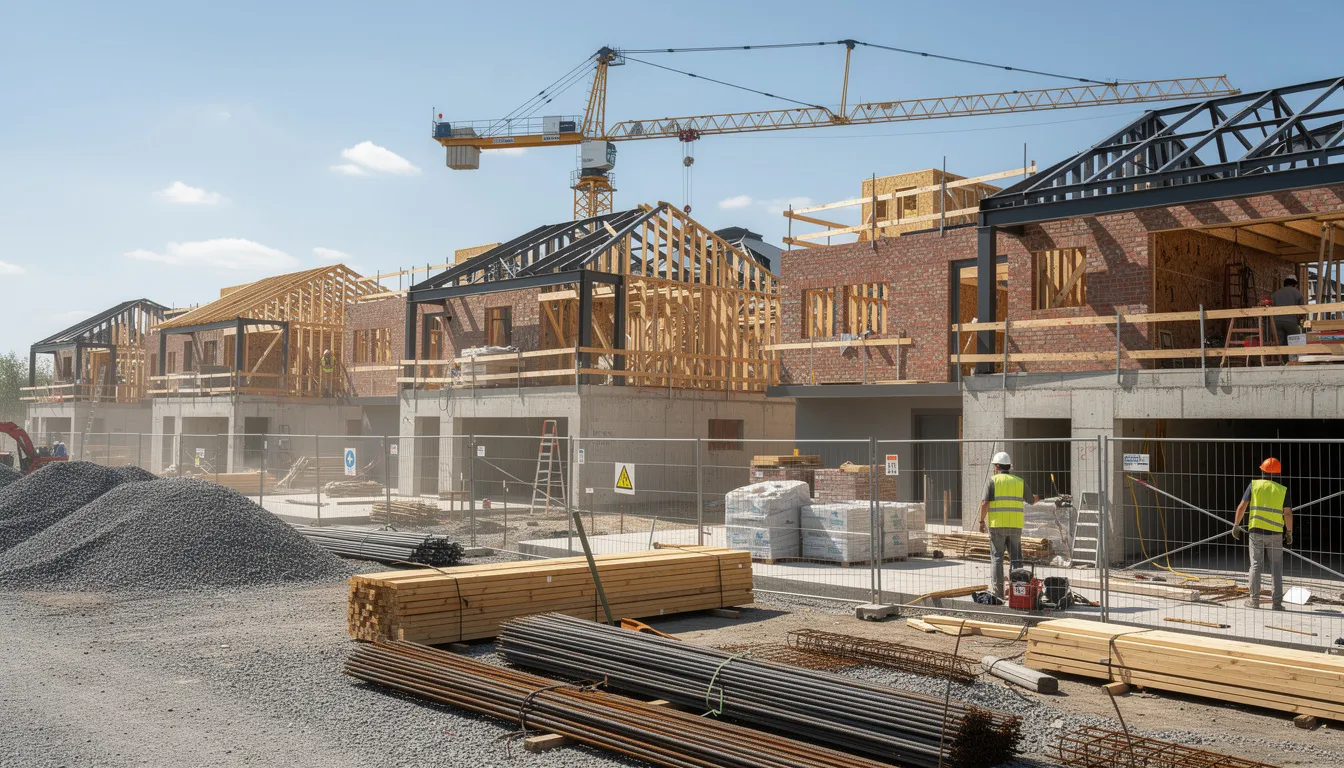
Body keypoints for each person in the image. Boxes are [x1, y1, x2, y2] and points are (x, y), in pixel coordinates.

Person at [1232, 457, 1294, 611]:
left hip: (1256, 532)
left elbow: (1242, 507)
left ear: (1262, 471)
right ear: (1278, 474)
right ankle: (1277, 603)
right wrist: (1289, 531)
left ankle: (1254, 601)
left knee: (1255, 566)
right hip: (1275, 534)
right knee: (1276, 568)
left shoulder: (1254, 485)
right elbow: (1287, 513)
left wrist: (1236, 525)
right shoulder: (1282, 490)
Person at [978, 452, 1040, 600]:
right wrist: (1038, 497)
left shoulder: (992, 481)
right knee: (1016, 559)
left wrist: (981, 521)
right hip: (1015, 526)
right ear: (1009, 466)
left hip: (997, 526)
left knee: (997, 559)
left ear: (997, 467)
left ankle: (998, 593)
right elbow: (1031, 500)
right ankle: (1017, 593)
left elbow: (985, 503)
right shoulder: (1019, 481)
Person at [1270, 276, 1306, 347]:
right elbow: (1303, 310)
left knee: (1279, 343)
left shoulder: (1276, 294)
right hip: (1291, 321)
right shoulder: (1297, 293)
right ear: (1294, 284)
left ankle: (1280, 354)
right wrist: (1299, 318)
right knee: (1294, 343)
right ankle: (1293, 354)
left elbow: (1272, 307)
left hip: (1277, 322)